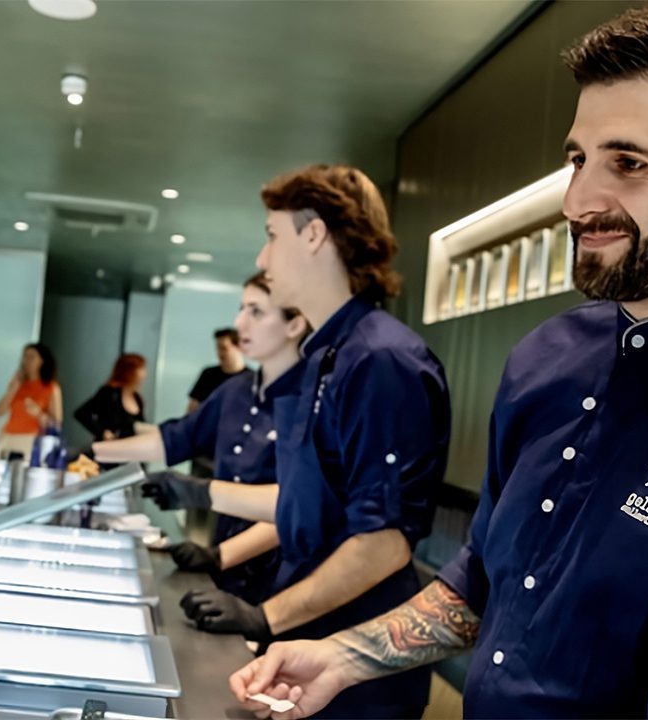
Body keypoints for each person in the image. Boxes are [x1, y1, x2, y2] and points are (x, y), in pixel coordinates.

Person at [231, 7, 648, 718]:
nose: (577, 201)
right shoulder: (545, 358)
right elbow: (478, 585)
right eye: (577, 160)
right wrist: (342, 657)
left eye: (629, 163)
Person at [143, 164, 451, 718]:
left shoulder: (380, 360)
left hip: (357, 659)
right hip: (308, 637)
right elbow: (308, 503)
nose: (263, 258)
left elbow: (383, 543)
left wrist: (266, 617)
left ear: (314, 236)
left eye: (271, 236)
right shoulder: (322, 358)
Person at [93, 273, 307, 607]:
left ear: (294, 325)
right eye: (241, 310)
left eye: (256, 312)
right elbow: (175, 438)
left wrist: (218, 553)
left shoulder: (312, 402)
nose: (240, 323)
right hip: (227, 562)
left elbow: (297, 507)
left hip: (281, 580)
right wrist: (95, 452)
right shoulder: (235, 391)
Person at [0, 343, 63, 457]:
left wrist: (38, 414)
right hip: (8, 437)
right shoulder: (18, 384)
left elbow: (56, 424)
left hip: (32, 440)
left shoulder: (51, 387)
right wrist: (12, 389)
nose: (27, 361)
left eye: (32, 357)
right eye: (25, 356)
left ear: (42, 361)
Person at [73, 353, 147, 443]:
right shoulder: (109, 393)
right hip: (110, 449)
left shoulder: (137, 398)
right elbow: (82, 413)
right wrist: (103, 432)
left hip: (130, 451)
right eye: (141, 368)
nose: (144, 373)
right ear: (130, 371)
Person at [186, 327, 246, 413]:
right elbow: (192, 409)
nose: (219, 353)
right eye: (217, 348)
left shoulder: (253, 379)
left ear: (240, 348)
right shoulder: (208, 374)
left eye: (223, 348)